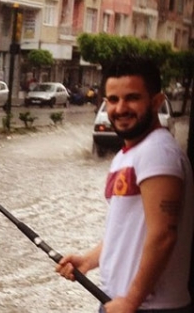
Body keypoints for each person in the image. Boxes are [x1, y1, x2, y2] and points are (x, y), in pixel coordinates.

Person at [55, 55, 193, 313]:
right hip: (119, 302)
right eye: (114, 100)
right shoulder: (125, 156)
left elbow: (163, 235)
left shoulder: (158, 153)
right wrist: (88, 260)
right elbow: (127, 232)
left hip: (150, 307)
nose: (121, 108)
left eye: (132, 98)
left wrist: (132, 299)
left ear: (156, 102)